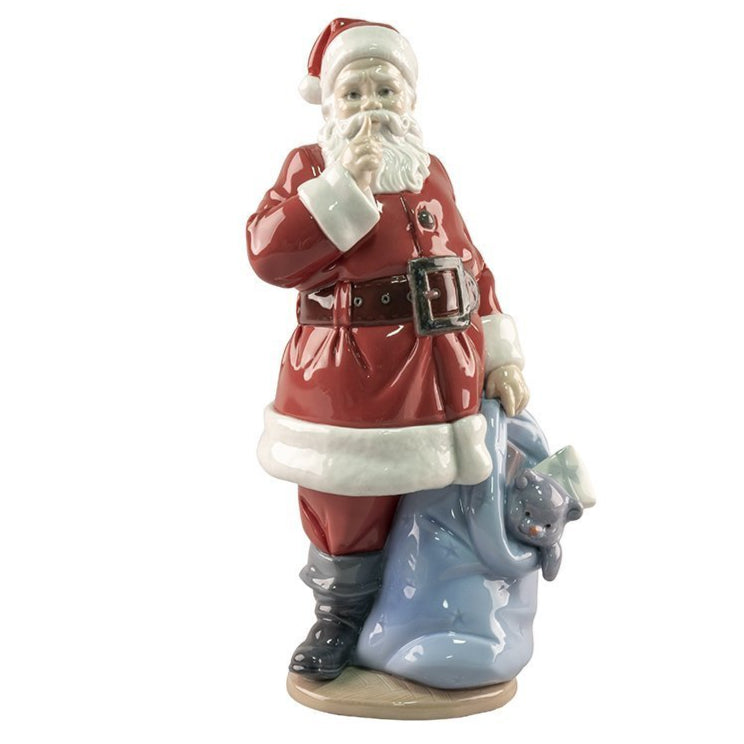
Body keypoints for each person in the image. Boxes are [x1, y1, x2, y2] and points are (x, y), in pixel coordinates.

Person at [246, 18, 529, 681]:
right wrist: (344, 188)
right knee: (347, 502)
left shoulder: (432, 172)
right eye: (353, 93)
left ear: (409, 98)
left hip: (444, 369)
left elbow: (470, 264)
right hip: (350, 372)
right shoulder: (311, 169)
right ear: (330, 105)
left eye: (384, 90)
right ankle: (340, 616)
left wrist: (500, 355)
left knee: (439, 497)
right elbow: (266, 252)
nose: (371, 107)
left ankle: (433, 612)